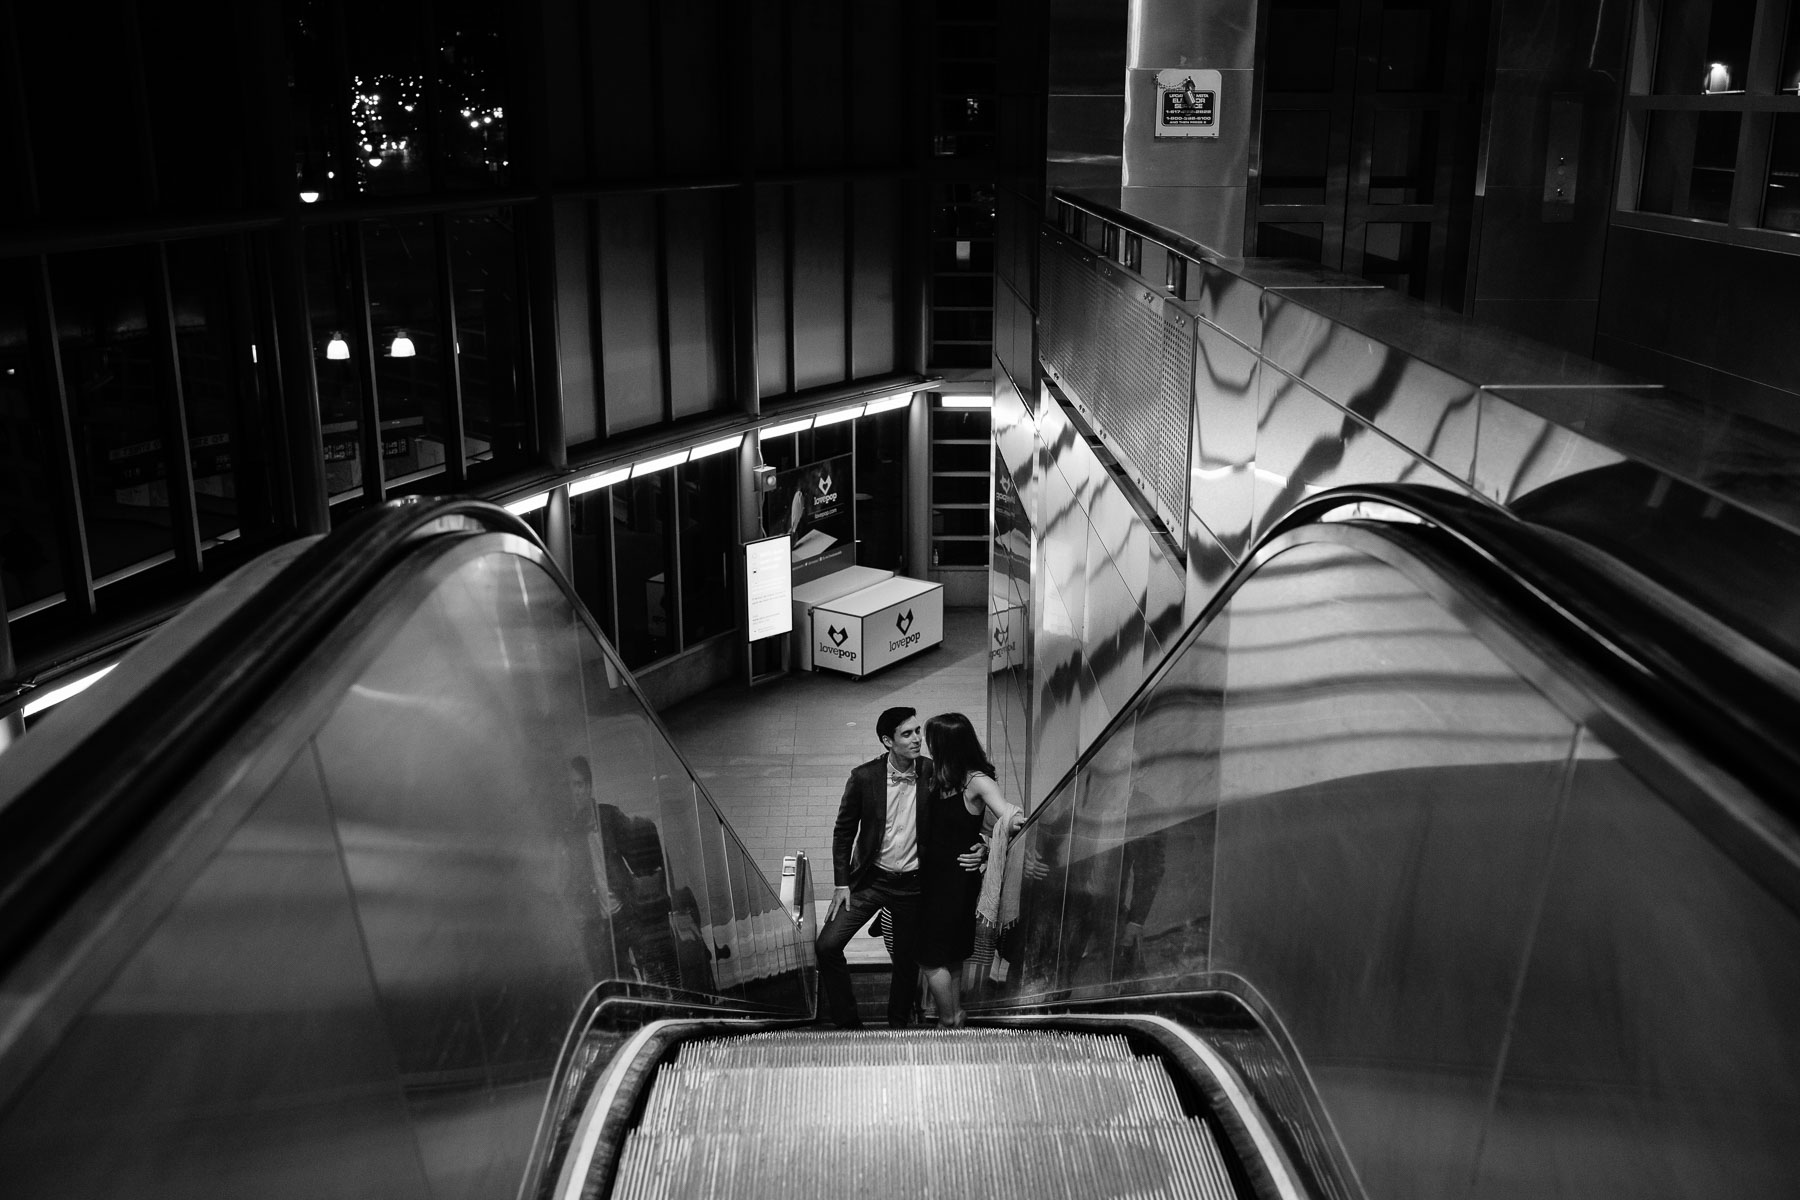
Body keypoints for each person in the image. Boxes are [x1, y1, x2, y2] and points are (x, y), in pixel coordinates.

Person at [816, 707, 982, 1027]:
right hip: (870, 881)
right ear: (887, 741)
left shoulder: (935, 772)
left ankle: (898, 1027)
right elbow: (844, 831)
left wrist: (985, 845)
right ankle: (848, 1024)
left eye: (918, 731)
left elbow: (968, 814)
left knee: (906, 963)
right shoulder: (863, 777)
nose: (918, 738)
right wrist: (841, 883)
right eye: (907, 734)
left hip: (915, 885)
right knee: (827, 945)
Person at [919, 712, 1025, 1026]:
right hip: (937, 879)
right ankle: (956, 1016)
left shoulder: (976, 781)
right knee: (950, 955)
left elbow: (1009, 817)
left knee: (929, 958)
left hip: (952, 882)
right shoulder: (940, 775)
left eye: (932, 740)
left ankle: (948, 1018)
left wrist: (990, 847)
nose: (928, 745)